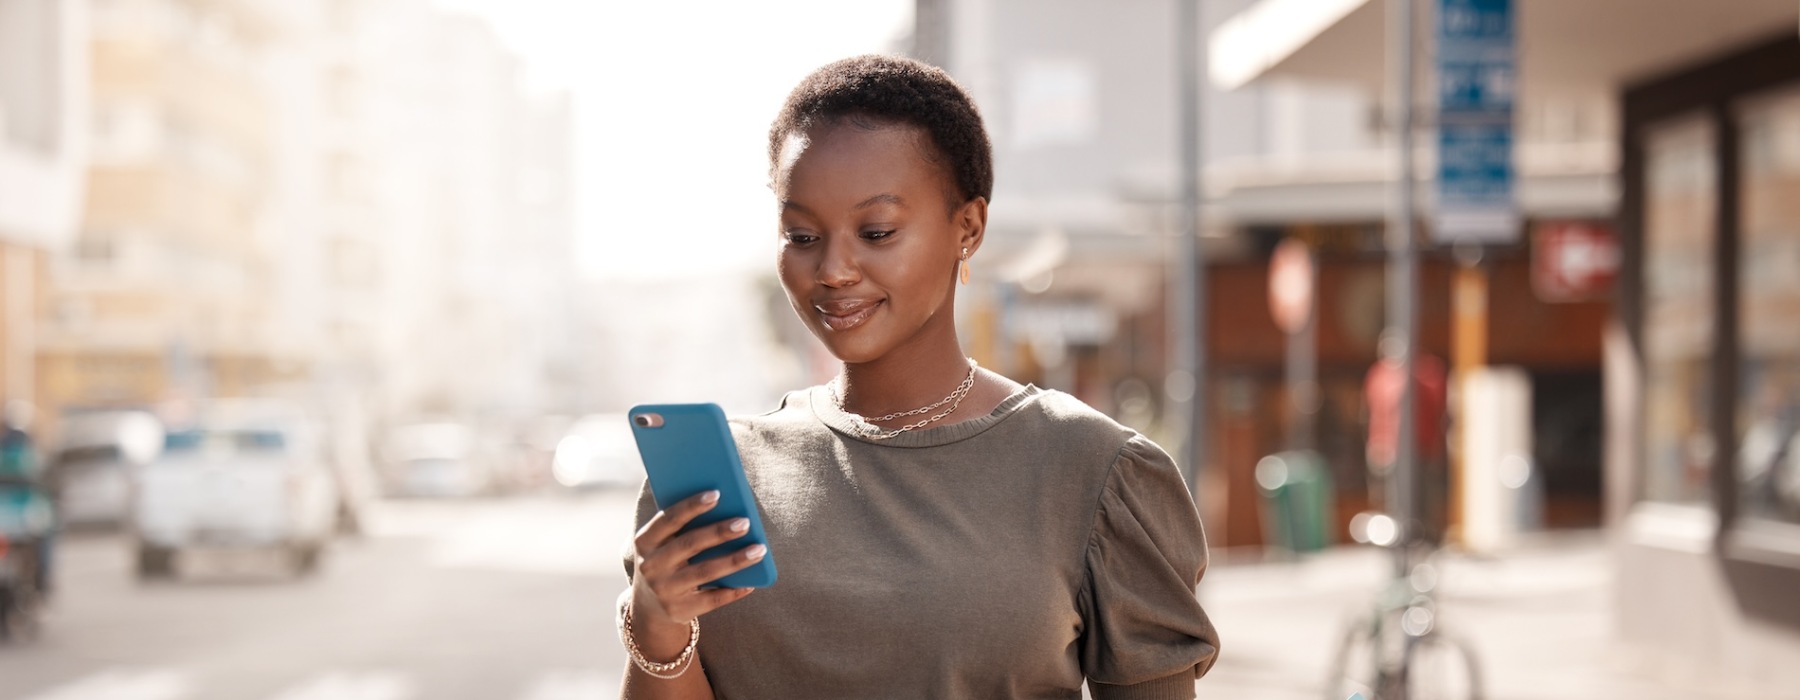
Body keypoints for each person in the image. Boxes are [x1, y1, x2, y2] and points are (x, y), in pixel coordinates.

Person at [618, 55, 1219, 699]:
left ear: (968, 229)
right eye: (801, 234)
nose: (834, 269)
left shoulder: (1093, 472)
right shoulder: (719, 484)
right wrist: (656, 630)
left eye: (876, 232)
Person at [1362, 330, 1449, 547]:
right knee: (1393, 497)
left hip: (1423, 447)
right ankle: (1396, 538)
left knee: (1425, 496)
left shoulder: (1429, 372)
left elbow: (1440, 411)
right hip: (1387, 449)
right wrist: (1375, 445)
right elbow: (1372, 412)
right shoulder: (1379, 374)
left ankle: (1427, 538)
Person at [0, 400, 55, 598]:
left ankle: (42, 583)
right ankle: (43, 584)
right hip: (23, 518)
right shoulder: (31, 454)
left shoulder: (29, 454)